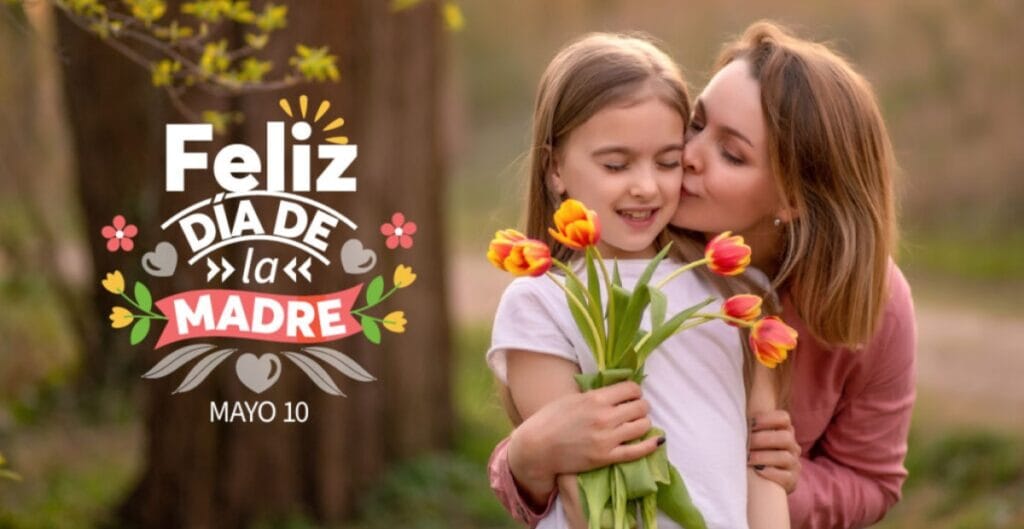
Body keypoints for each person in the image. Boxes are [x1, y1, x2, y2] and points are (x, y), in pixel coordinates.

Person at [488, 21, 917, 529]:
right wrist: (527, 457)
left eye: (731, 153)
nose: (684, 158)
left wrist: (775, 476)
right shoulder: (611, 254)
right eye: (694, 125)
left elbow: (868, 480)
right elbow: (577, 466)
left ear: (792, 198)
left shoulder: (763, 299)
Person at [486, 32, 789, 529]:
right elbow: (578, 480)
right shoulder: (542, 299)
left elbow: (763, 463)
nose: (646, 186)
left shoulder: (735, 290)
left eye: (668, 161)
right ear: (554, 167)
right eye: (616, 164)